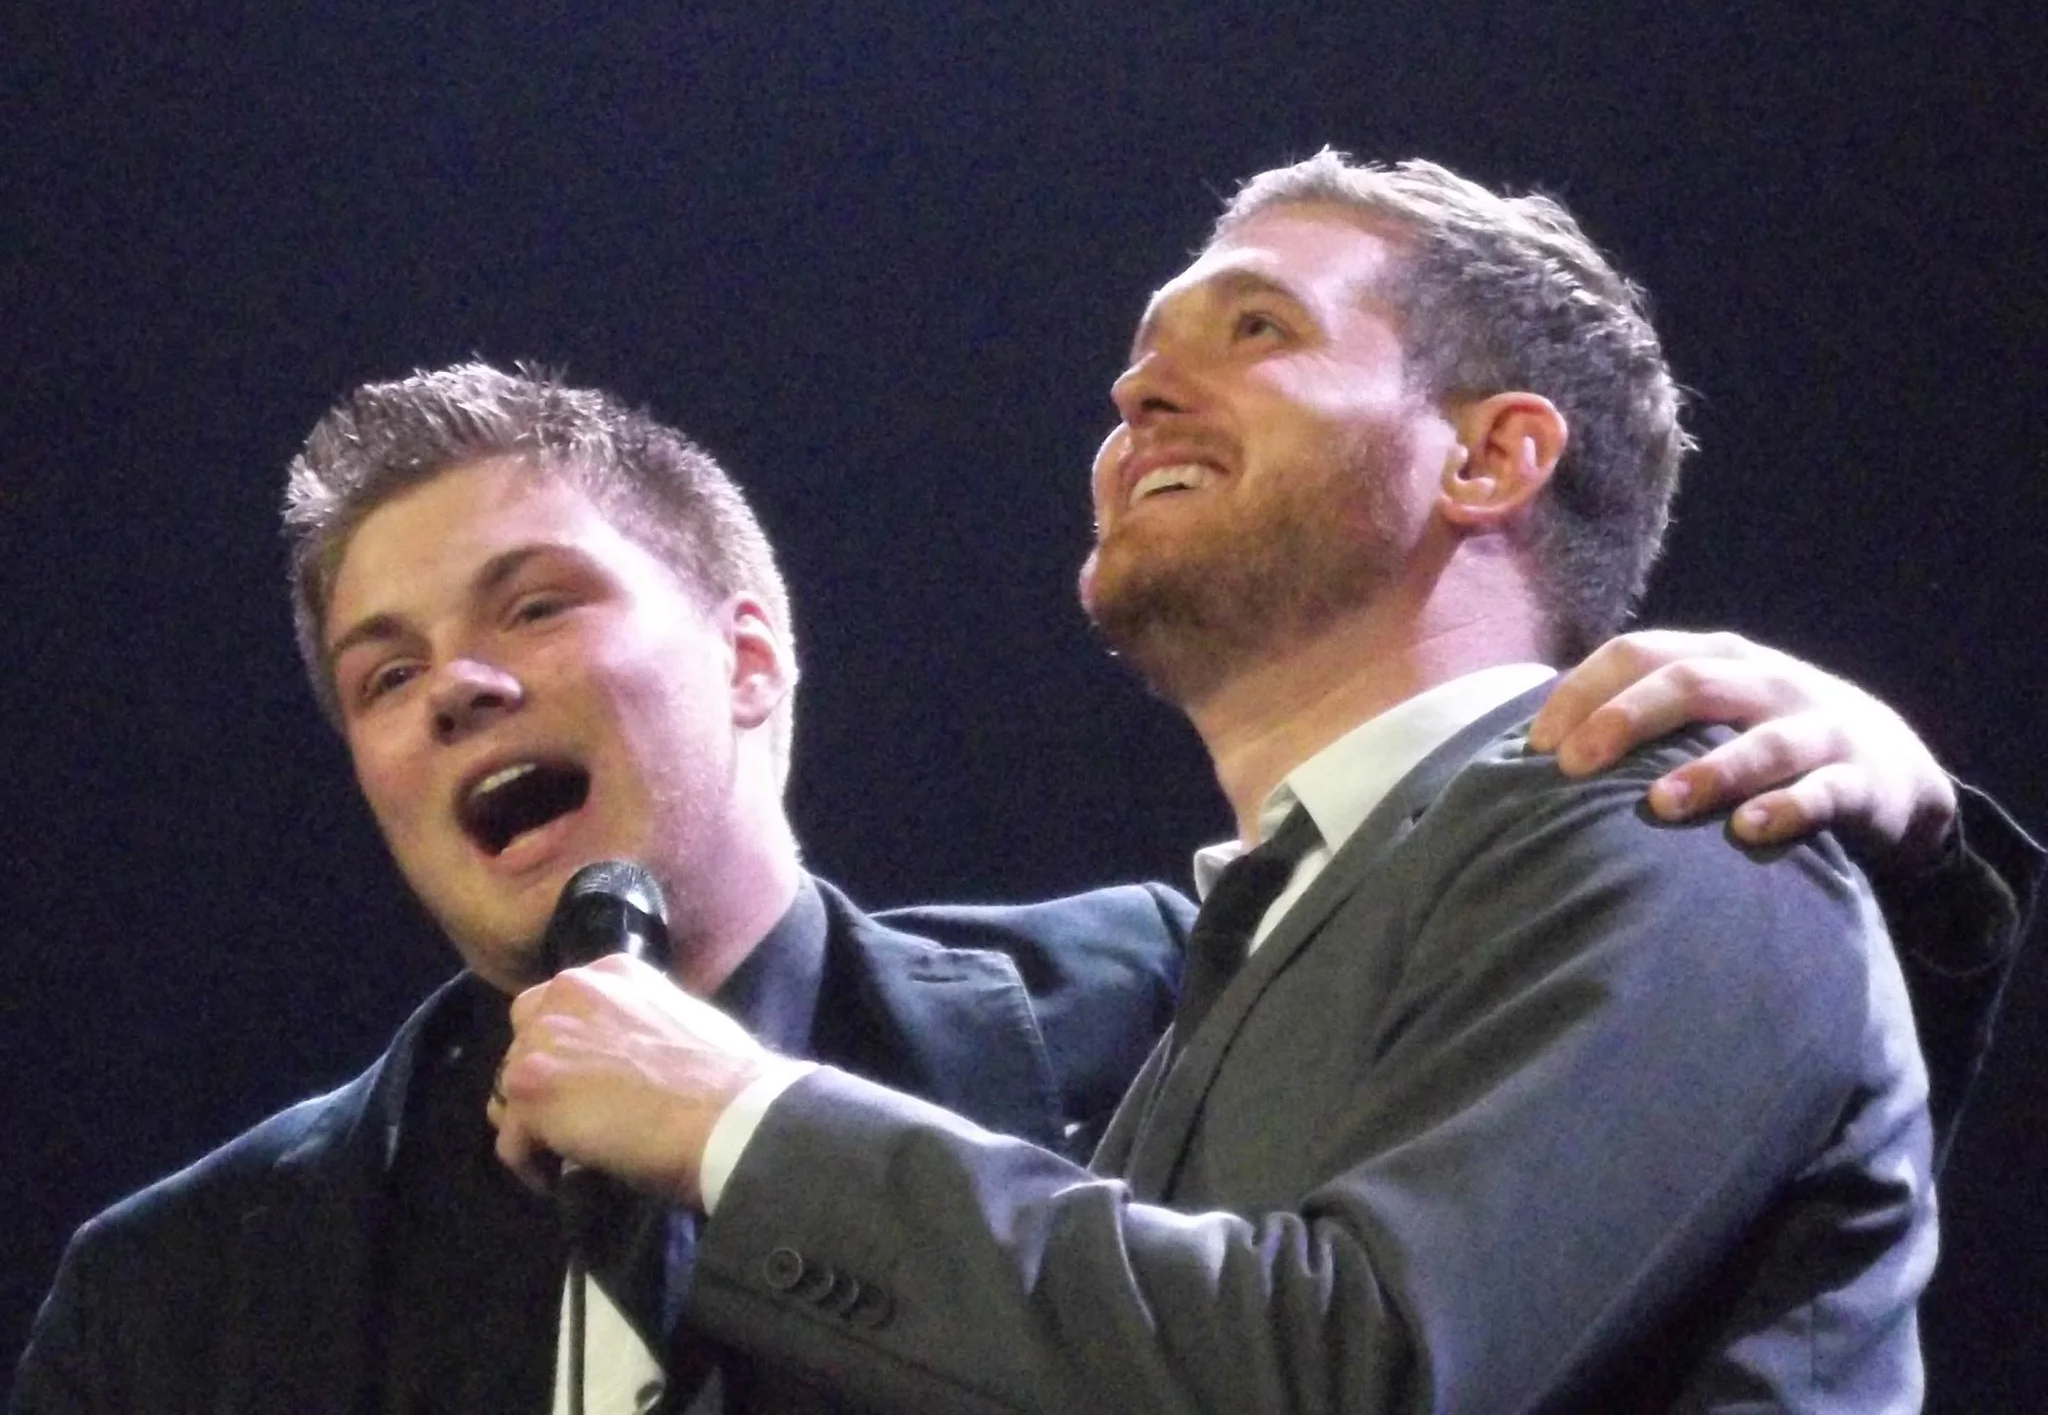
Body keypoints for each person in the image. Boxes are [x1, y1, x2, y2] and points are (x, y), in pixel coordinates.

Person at [11, 342, 2030, 1414]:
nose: (455, 684)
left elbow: (1642, 1230)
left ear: (744, 656)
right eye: (383, 674)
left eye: (531, 606)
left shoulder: (1170, 999)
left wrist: (1888, 839)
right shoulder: (189, 1297)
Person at [477, 160, 2039, 1413]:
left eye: (1257, 331)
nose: (1136, 395)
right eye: (1140, 363)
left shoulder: (1668, 820)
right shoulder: (1247, 955)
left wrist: (740, 1126)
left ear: (1491, 458)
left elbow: (1356, 1371)